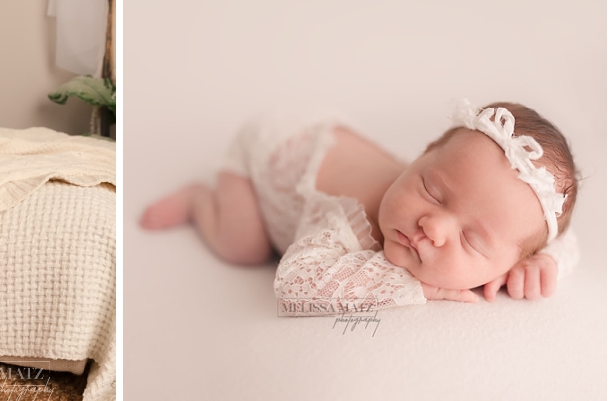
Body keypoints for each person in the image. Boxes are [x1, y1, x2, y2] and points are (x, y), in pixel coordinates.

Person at [140, 100, 579, 316]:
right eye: (430, 190)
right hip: (267, 155)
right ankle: (202, 199)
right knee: (245, 246)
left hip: (329, 141)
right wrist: (415, 287)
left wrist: (545, 262)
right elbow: (294, 284)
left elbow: (560, 236)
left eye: (470, 239)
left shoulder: (504, 219)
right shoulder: (349, 220)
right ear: (420, 157)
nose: (433, 226)